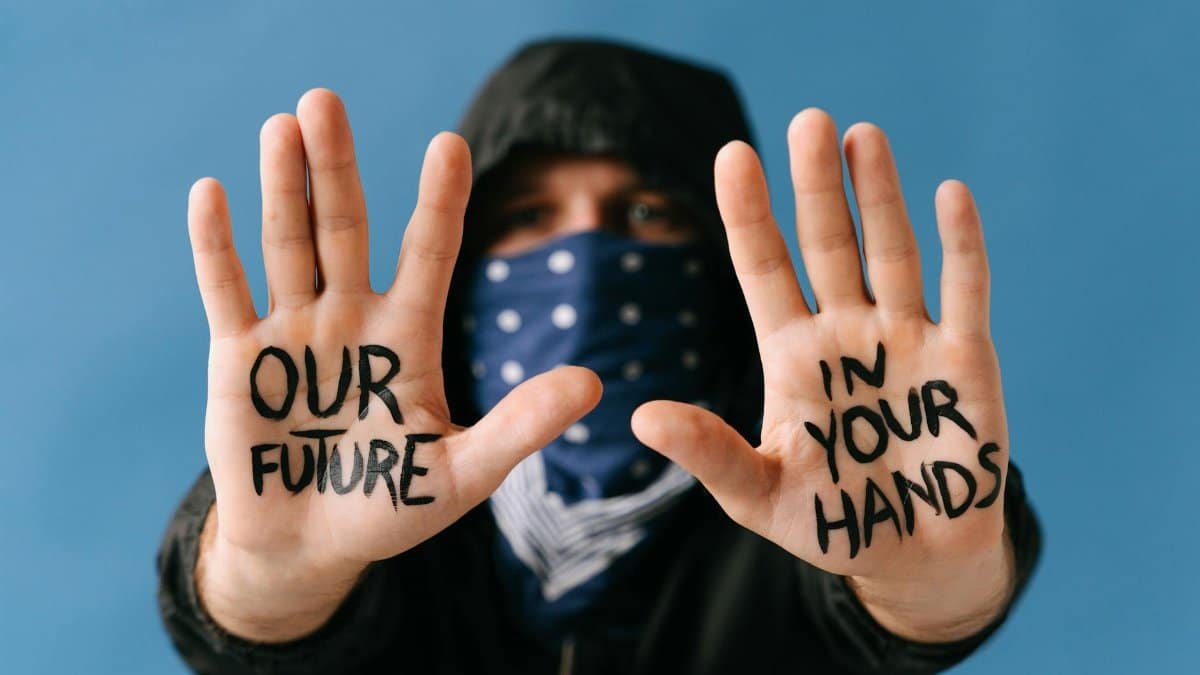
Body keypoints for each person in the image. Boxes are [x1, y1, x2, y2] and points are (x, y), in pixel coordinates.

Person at [158, 37, 1041, 674]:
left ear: (719, 263)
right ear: (467, 265)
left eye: (648, 214)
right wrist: (271, 577)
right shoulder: (379, 503)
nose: (582, 266)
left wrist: (936, 587)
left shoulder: (813, 499)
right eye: (528, 217)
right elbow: (280, 638)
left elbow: (875, 618)